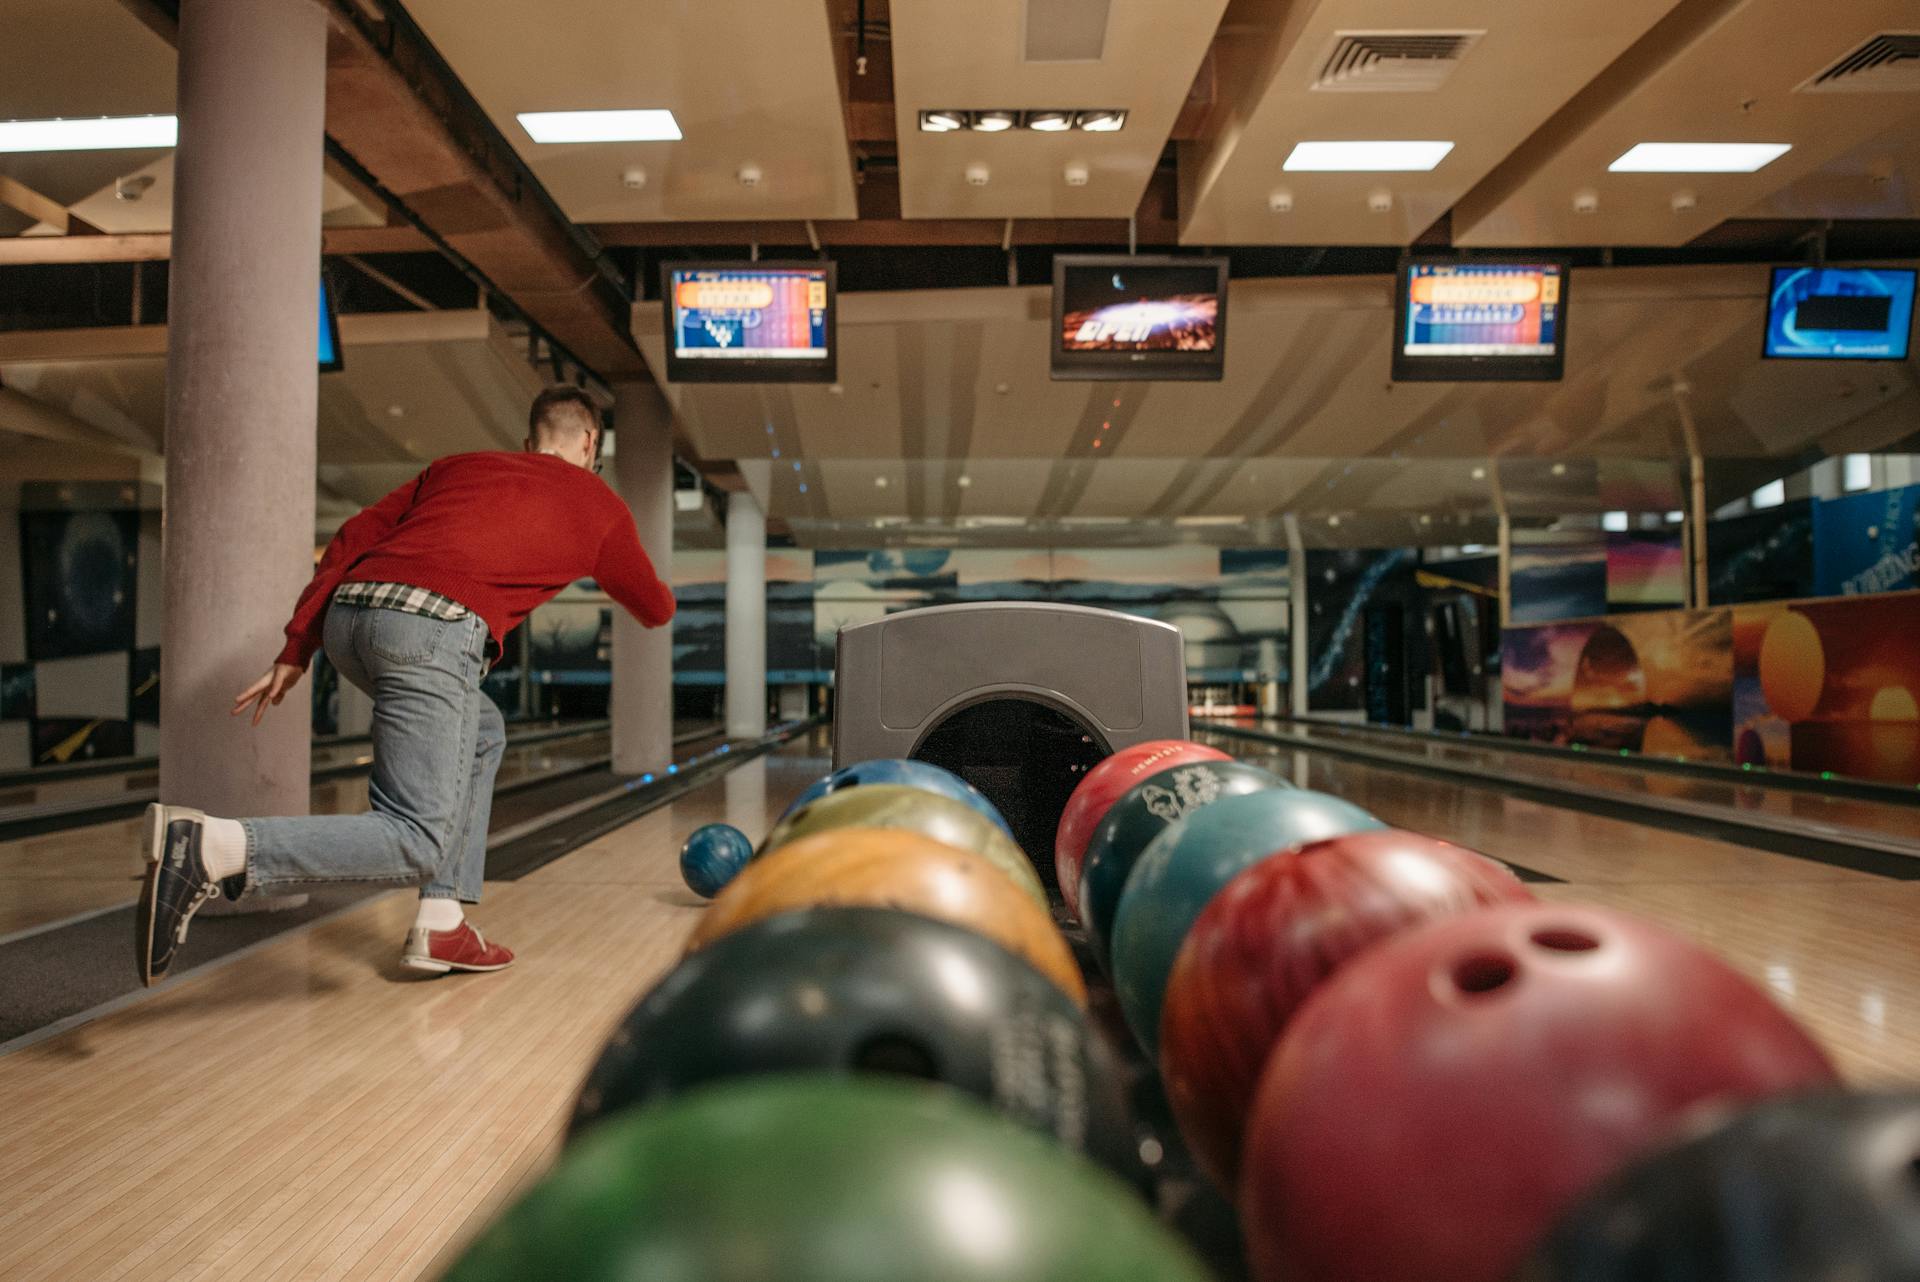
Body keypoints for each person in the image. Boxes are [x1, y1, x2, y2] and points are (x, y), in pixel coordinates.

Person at [137, 386, 675, 986]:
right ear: (590, 443)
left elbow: (350, 538)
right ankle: (214, 846)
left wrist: (300, 644)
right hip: (432, 630)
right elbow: (654, 608)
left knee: (483, 732)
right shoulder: (597, 503)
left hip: (349, 620)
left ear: (528, 443)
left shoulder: (455, 468)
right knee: (414, 838)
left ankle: (441, 920)